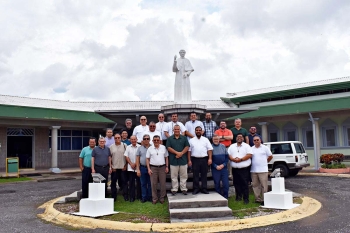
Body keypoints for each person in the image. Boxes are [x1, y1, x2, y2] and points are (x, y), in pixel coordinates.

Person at [228, 134, 252, 204]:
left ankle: (246, 199)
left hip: (244, 169)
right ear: (236, 138)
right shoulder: (232, 146)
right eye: (238, 137)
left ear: (243, 138)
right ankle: (238, 197)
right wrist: (232, 159)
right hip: (235, 169)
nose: (239, 138)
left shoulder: (247, 146)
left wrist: (240, 159)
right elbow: (229, 155)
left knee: (244, 184)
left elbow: (249, 155)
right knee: (236, 183)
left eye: (241, 137)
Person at [188, 126, 213, 194]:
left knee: (204, 174)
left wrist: (210, 158)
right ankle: (196, 189)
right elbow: (189, 151)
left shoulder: (206, 139)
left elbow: (209, 149)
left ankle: (204, 188)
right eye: (197, 130)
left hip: (204, 159)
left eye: (199, 130)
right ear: (195, 131)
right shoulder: (191, 140)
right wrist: (189, 160)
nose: (198, 131)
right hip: (195, 159)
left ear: (202, 131)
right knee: (195, 175)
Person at [166, 125, 190, 195]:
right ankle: (174, 189)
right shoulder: (170, 139)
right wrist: (177, 153)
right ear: (173, 130)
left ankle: (183, 189)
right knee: (174, 176)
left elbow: (187, 147)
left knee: (184, 176)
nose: (176, 130)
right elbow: (168, 148)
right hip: (173, 160)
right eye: (175, 129)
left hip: (183, 160)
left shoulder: (184, 138)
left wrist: (181, 153)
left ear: (180, 130)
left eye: (178, 129)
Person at [146, 135, 169, 204]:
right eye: (155, 140)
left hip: (162, 167)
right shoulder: (150, 148)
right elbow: (147, 159)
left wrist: (167, 166)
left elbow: (166, 157)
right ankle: (155, 198)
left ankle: (162, 198)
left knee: (163, 183)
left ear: (160, 141)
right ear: (152, 141)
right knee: (153, 184)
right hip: (153, 168)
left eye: (157, 140)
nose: (156, 141)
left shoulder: (163, 147)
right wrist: (148, 169)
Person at [251, 136, 273, 204]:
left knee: (264, 185)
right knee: (255, 185)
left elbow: (270, 156)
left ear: (260, 140)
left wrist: (265, 162)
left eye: (257, 140)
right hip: (253, 170)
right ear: (253, 141)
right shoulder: (251, 148)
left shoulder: (265, 148)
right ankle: (257, 199)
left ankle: (264, 199)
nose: (256, 141)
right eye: (255, 140)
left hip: (263, 170)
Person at [109, 134, 128, 202]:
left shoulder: (124, 145)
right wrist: (111, 167)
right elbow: (110, 157)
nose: (117, 139)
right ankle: (114, 196)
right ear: (114, 138)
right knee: (113, 183)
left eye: (118, 137)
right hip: (114, 168)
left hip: (123, 167)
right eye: (116, 138)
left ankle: (125, 195)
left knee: (124, 182)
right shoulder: (111, 147)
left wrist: (126, 165)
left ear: (121, 138)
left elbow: (127, 156)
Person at [136, 134, 152, 203]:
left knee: (150, 183)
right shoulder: (139, 148)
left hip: (151, 168)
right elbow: (137, 159)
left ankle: (150, 197)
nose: (146, 140)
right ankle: (144, 197)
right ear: (142, 140)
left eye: (147, 139)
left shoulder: (152, 147)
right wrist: (138, 169)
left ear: (149, 140)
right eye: (145, 139)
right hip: (142, 167)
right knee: (143, 184)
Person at [124, 136, 140, 202]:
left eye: (134, 139)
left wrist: (136, 164)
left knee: (139, 183)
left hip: (138, 168)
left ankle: (139, 196)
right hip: (130, 168)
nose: (133, 140)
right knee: (131, 183)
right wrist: (131, 164)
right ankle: (132, 197)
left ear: (137, 139)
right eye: (132, 139)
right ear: (130, 140)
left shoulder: (140, 147)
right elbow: (126, 156)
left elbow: (140, 157)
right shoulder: (128, 147)